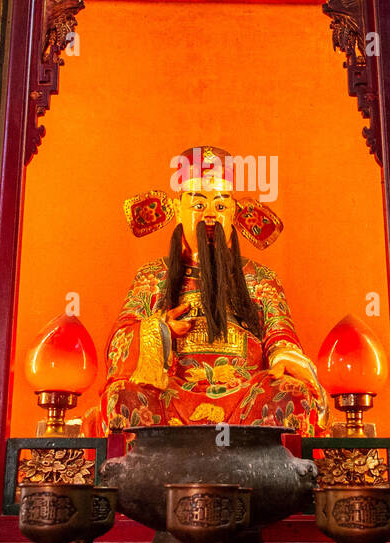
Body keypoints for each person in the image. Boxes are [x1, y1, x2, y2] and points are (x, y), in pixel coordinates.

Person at [98, 146, 328, 434]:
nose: (209, 215)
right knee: (122, 397)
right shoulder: (152, 276)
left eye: (220, 206)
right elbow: (120, 340)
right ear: (177, 211)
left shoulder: (260, 278)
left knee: (293, 394)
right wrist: (158, 330)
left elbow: (280, 332)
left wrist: (284, 356)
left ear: (234, 214)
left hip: (247, 397)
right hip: (172, 394)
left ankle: (268, 471)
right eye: (197, 205)